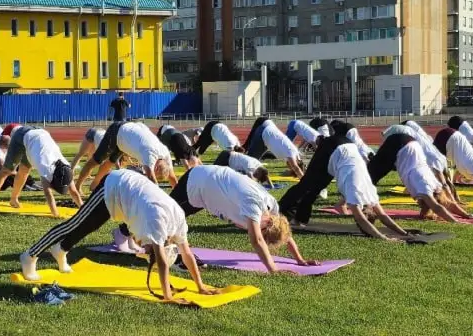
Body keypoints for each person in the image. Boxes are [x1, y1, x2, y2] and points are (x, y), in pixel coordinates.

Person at [18, 168, 219, 303]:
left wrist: (200, 286)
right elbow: (163, 262)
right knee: (76, 223)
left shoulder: (178, 224)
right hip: (115, 184)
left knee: (90, 226)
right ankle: (30, 255)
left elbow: (187, 255)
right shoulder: (157, 223)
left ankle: (61, 250)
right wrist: (168, 296)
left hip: (128, 194)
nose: (144, 249)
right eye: (148, 251)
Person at [114, 164, 316, 273]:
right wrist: (273, 269)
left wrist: (299, 259)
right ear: (266, 226)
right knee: (163, 217)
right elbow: (257, 241)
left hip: (207, 188)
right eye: (264, 234)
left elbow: (285, 234)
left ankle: (142, 237)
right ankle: (123, 232)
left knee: (168, 219)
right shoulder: (254, 205)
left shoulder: (273, 209)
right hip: (197, 185)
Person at [279, 132, 411, 240]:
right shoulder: (368, 196)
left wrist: (403, 234)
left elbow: (370, 218)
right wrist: (388, 237)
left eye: (364, 214)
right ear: (370, 212)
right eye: (367, 214)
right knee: (307, 183)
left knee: (317, 186)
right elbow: (381, 216)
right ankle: (280, 212)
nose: (364, 212)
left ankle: (300, 220)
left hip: (343, 147)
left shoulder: (361, 197)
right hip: (334, 147)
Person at [368, 130, 472, 222]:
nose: (418, 205)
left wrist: (466, 215)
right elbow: (437, 207)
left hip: (412, 144)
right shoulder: (424, 188)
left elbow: (448, 203)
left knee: (377, 170)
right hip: (399, 145)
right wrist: (455, 221)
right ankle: (363, 205)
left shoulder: (436, 187)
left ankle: (371, 160)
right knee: (370, 177)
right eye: (422, 206)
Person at [0, 125, 80, 217]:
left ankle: (13, 199)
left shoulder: (66, 168)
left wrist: (82, 207)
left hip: (37, 137)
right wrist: (56, 214)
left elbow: (74, 192)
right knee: (7, 170)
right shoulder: (45, 168)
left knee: (24, 171)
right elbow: (48, 194)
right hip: (22, 135)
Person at [80, 121, 177, 189]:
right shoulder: (150, 154)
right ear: (156, 167)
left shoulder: (165, 153)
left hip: (127, 137)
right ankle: (77, 186)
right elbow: (151, 178)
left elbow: (173, 178)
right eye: (156, 173)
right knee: (95, 161)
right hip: (117, 132)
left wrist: (179, 201)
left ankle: (94, 184)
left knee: (110, 162)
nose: (154, 174)